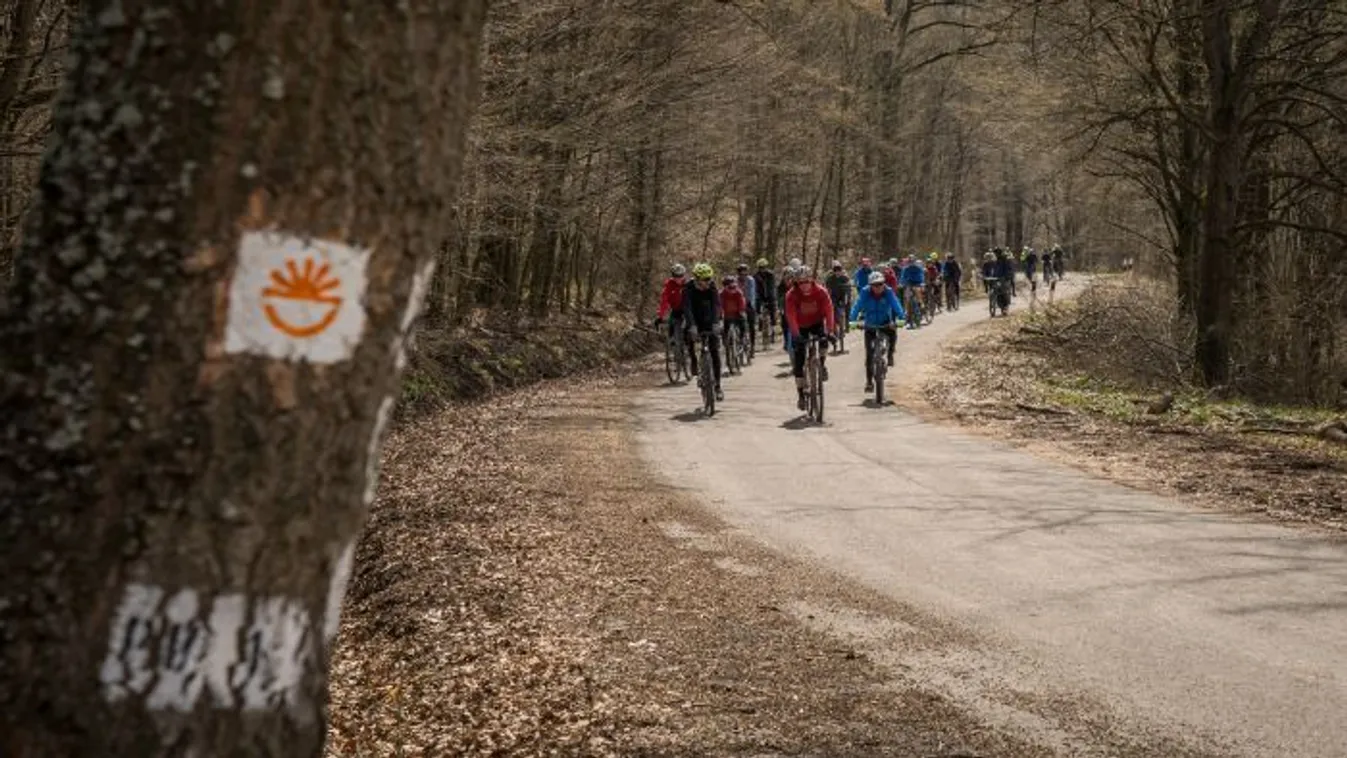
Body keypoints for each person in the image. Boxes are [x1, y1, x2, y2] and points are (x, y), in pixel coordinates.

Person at [785, 267, 836, 410]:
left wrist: (831, 331)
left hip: (816, 323)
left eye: (807, 281)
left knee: (824, 340)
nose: (804, 285)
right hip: (800, 326)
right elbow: (791, 316)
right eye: (800, 283)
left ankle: (822, 363)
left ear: (812, 280)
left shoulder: (821, 292)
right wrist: (796, 335)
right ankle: (801, 395)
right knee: (799, 363)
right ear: (796, 283)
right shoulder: (791, 295)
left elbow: (829, 310)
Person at [850, 271, 904, 393]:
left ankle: (890, 354)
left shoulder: (888, 292)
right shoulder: (865, 292)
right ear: (870, 285)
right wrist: (852, 320)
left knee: (893, 333)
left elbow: (896, 305)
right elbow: (857, 306)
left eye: (880, 284)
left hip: (885, 322)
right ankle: (869, 382)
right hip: (870, 324)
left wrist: (901, 318)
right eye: (874, 285)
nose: (878, 287)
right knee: (869, 355)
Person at [682, 263, 724, 401]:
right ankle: (693, 361)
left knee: (715, 352)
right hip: (694, 320)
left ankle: (717, 386)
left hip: (709, 320)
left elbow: (717, 305)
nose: (708, 282)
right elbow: (687, 308)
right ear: (697, 279)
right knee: (688, 337)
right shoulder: (688, 288)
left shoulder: (712, 287)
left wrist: (716, 322)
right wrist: (692, 325)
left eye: (709, 279)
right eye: (705, 279)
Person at [720, 275, 748, 370]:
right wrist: (720, 314)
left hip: (737, 314)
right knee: (724, 331)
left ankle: (742, 340)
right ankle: (727, 347)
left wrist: (741, 311)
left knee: (743, 324)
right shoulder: (722, 294)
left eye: (732, 286)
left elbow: (742, 302)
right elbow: (719, 305)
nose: (731, 288)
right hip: (727, 316)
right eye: (728, 286)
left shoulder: (738, 292)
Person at [655, 263, 689, 344]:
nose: (678, 278)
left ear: (684, 275)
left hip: (688, 309)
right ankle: (673, 344)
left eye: (680, 276)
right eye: (675, 276)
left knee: (690, 325)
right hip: (676, 309)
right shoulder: (669, 285)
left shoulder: (689, 284)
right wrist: (660, 315)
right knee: (672, 324)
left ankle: (689, 341)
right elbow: (664, 300)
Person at [825, 260, 853, 342]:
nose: (837, 272)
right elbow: (827, 289)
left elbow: (849, 289)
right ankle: (832, 329)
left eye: (839, 271)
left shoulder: (845, 278)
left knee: (847, 307)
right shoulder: (830, 278)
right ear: (833, 271)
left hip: (843, 297)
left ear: (841, 271)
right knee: (831, 311)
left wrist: (847, 298)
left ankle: (846, 326)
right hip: (833, 297)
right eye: (836, 271)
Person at [753, 258, 777, 342]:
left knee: (773, 311)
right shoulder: (755, 276)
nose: (762, 269)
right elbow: (755, 288)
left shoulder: (771, 275)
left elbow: (772, 287)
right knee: (757, 307)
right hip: (760, 295)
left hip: (769, 295)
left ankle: (773, 329)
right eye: (760, 267)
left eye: (763, 267)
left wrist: (771, 297)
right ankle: (760, 323)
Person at [735, 262, 758, 349]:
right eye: (741, 273)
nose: (743, 275)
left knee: (751, 324)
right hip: (738, 304)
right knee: (738, 323)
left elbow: (751, 294)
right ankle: (739, 340)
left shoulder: (751, 280)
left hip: (748, 303)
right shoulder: (735, 281)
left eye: (745, 273)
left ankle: (752, 344)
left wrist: (750, 304)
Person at [899, 255, 925, 329]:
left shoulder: (918, 268)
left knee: (917, 291)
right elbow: (902, 277)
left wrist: (922, 283)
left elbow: (921, 276)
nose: (911, 263)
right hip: (908, 284)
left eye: (912, 261)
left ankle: (921, 303)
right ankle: (907, 311)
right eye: (910, 261)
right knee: (907, 296)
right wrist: (901, 283)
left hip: (917, 283)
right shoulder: (905, 269)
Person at [778, 265, 797, 352]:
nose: (788, 278)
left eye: (790, 276)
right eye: (786, 276)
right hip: (786, 308)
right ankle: (786, 341)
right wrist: (780, 308)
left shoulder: (797, 285)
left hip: (797, 308)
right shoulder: (780, 287)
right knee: (784, 324)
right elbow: (779, 298)